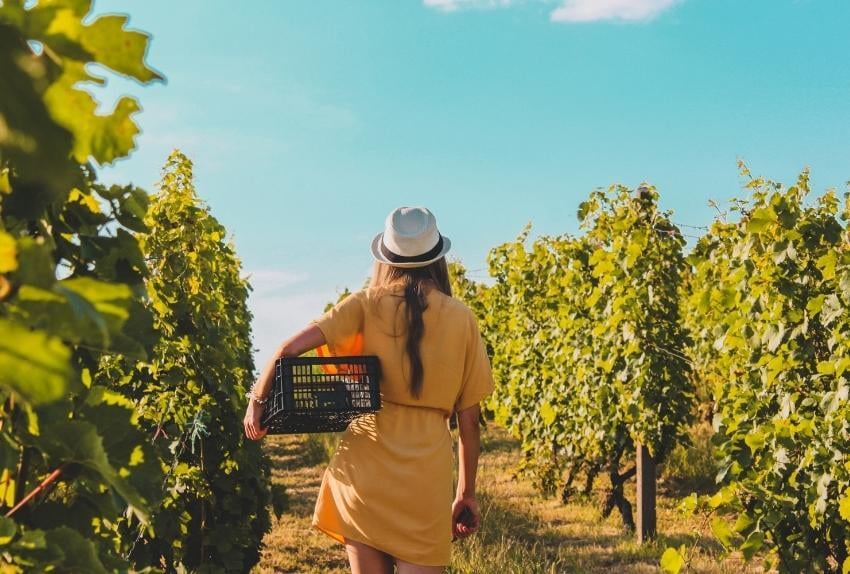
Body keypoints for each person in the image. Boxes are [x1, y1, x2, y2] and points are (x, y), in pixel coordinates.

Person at [243, 206, 495, 573]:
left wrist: (256, 403)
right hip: (424, 482)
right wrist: (465, 494)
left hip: (365, 473)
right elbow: (469, 423)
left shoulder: (365, 303)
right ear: (436, 257)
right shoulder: (462, 318)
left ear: (387, 257)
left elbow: (286, 350)